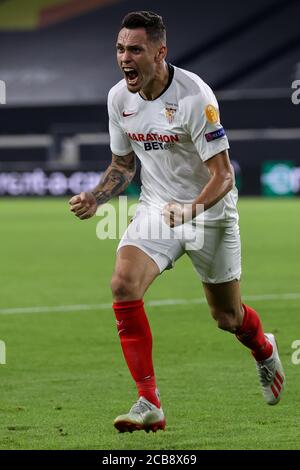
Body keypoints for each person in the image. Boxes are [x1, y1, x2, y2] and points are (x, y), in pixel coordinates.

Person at [69, 11, 285, 433]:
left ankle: (263, 349)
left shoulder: (194, 97)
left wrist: (190, 211)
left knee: (228, 318)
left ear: (160, 52)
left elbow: (224, 175)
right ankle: (149, 401)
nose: (124, 58)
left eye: (135, 49)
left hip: (211, 214)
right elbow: (122, 165)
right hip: (156, 209)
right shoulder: (119, 99)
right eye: (119, 49)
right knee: (122, 284)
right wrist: (96, 197)